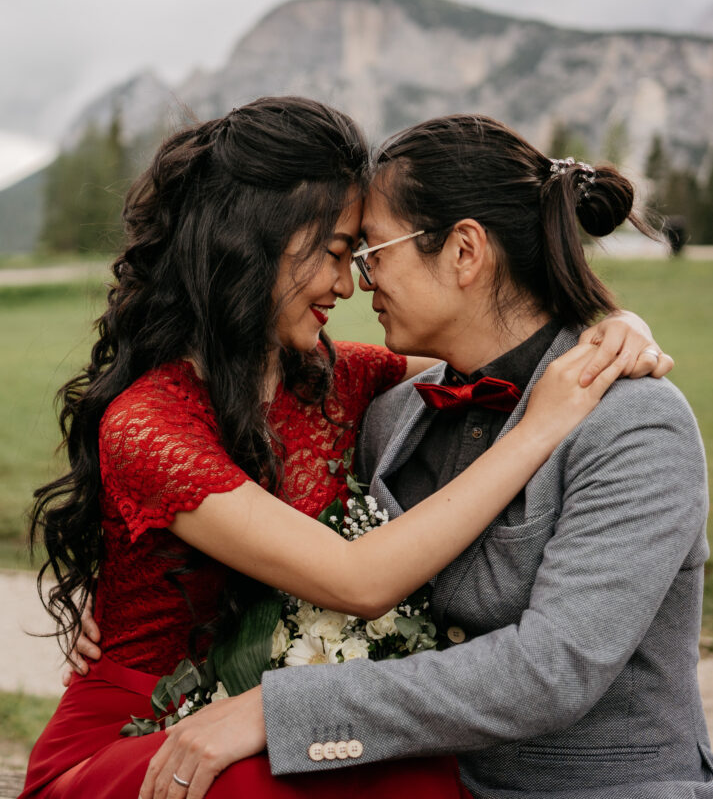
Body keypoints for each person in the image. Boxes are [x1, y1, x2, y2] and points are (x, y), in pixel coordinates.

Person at [23, 97, 659, 799]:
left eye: (361, 254)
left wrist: (612, 324)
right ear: (254, 243)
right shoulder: (148, 425)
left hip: (260, 710)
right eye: (333, 253)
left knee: (420, 782)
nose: (348, 283)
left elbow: (504, 359)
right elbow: (358, 582)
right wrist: (538, 429)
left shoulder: (343, 377)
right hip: (137, 728)